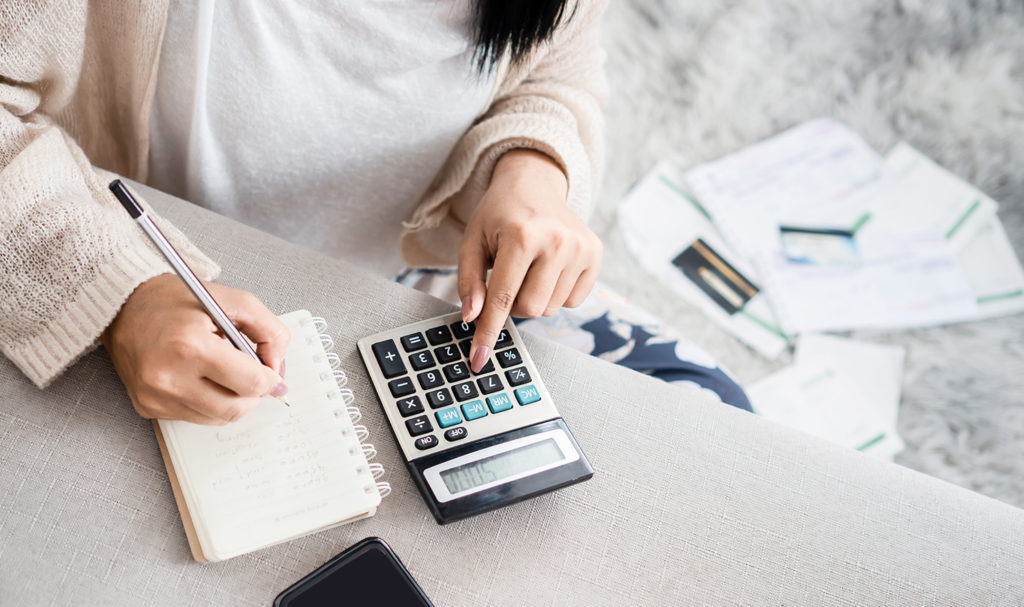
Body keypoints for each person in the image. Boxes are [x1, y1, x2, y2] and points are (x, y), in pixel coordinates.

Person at [0, 1, 748, 426]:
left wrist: (532, 166)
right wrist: (122, 295)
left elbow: (556, 72)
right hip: (143, 281)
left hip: (405, 290)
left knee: (710, 415)